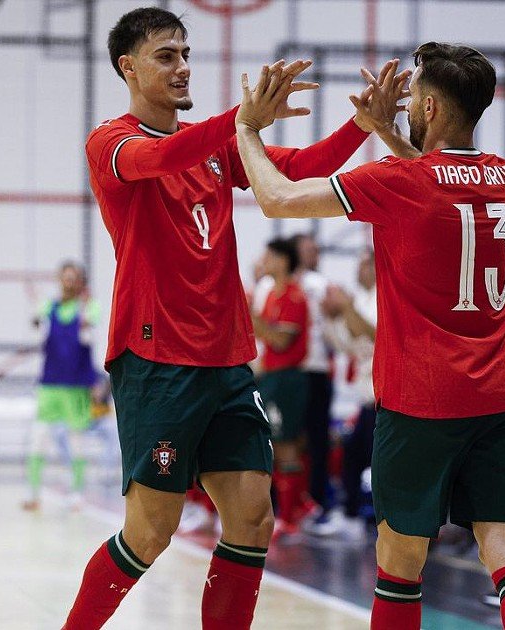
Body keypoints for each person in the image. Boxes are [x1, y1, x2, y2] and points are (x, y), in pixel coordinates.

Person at [62, 7, 380, 629]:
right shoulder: (113, 141)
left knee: (253, 520)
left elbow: (298, 167)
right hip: (157, 360)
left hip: (228, 361)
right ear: (128, 66)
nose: (183, 67)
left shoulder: (218, 145)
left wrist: (358, 126)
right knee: (150, 534)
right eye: (166, 56)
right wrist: (241, 122)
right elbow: (161, 159)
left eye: (186, 54)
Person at [234, 44, 505, 630]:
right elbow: (437, 184)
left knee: (400, 563)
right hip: (503, 393)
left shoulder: (398, 181)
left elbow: (277, 200)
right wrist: (386, 129)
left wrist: (247, 131)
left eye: (412, 99)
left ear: (428, 106)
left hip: (422, 396)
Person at [24, 261, 101, 511]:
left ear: (81, 282)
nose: (68, 282)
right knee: (39, 438)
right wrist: (36, 313)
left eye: (74, 278)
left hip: (77, 386)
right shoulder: (49, 306)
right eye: (65, 277)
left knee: (77, 441)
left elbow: (88, 332)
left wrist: (85, 309)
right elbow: (37, 325)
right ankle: (33, 493)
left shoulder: (89, 307)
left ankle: (77, 494)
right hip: (50, 383)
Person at [251, 238, 313, 537]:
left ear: (284, 260)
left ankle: (291, 516)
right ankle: (290, 509)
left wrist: (250, 315)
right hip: (272, 377)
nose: (264, 261)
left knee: (287, 444)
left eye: (270, 256)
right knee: (273, 444)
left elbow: (280, 340)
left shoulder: (294, 296)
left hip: (289, 378)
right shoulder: (271, 296)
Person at [318, 247, 378, 541]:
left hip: (383, 395)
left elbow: (373, 334)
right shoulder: (363, 299)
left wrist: (347, 309)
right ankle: (353, 515)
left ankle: (369, 518)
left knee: (369, 461)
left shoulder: (382, 296)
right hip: (367, 396)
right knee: (354, 457)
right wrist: (332, 317)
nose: (358, 269)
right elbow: (350, 346)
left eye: (365, 264)